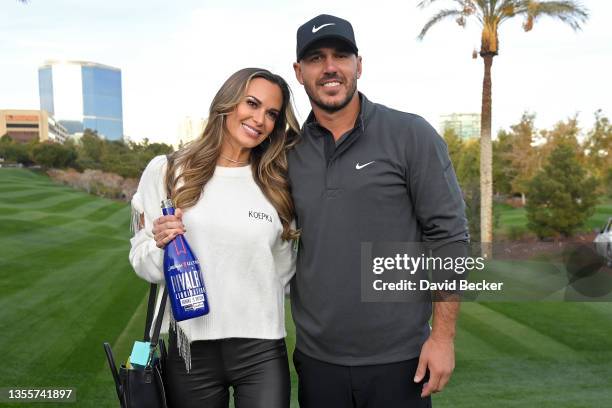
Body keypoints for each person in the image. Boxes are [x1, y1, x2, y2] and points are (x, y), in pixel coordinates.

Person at [288, 14, 470, 407]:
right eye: (317, 58)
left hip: (400, 361)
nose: (330, 67)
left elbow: (450, 237)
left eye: (341, 55)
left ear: (359, 64)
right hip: (318, 362)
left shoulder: (410, 134)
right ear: (299, 72)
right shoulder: (287, 152)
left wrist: (442, 338)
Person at [129, 67, 299, 408]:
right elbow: (141, 261)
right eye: (251, 103)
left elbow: (283, 271)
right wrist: (162, 246)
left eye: (271, 114)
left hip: (262, 348)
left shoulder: (278, 183)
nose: (259, 119)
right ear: (227, 102)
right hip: (189, 348)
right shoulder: (167, 170)